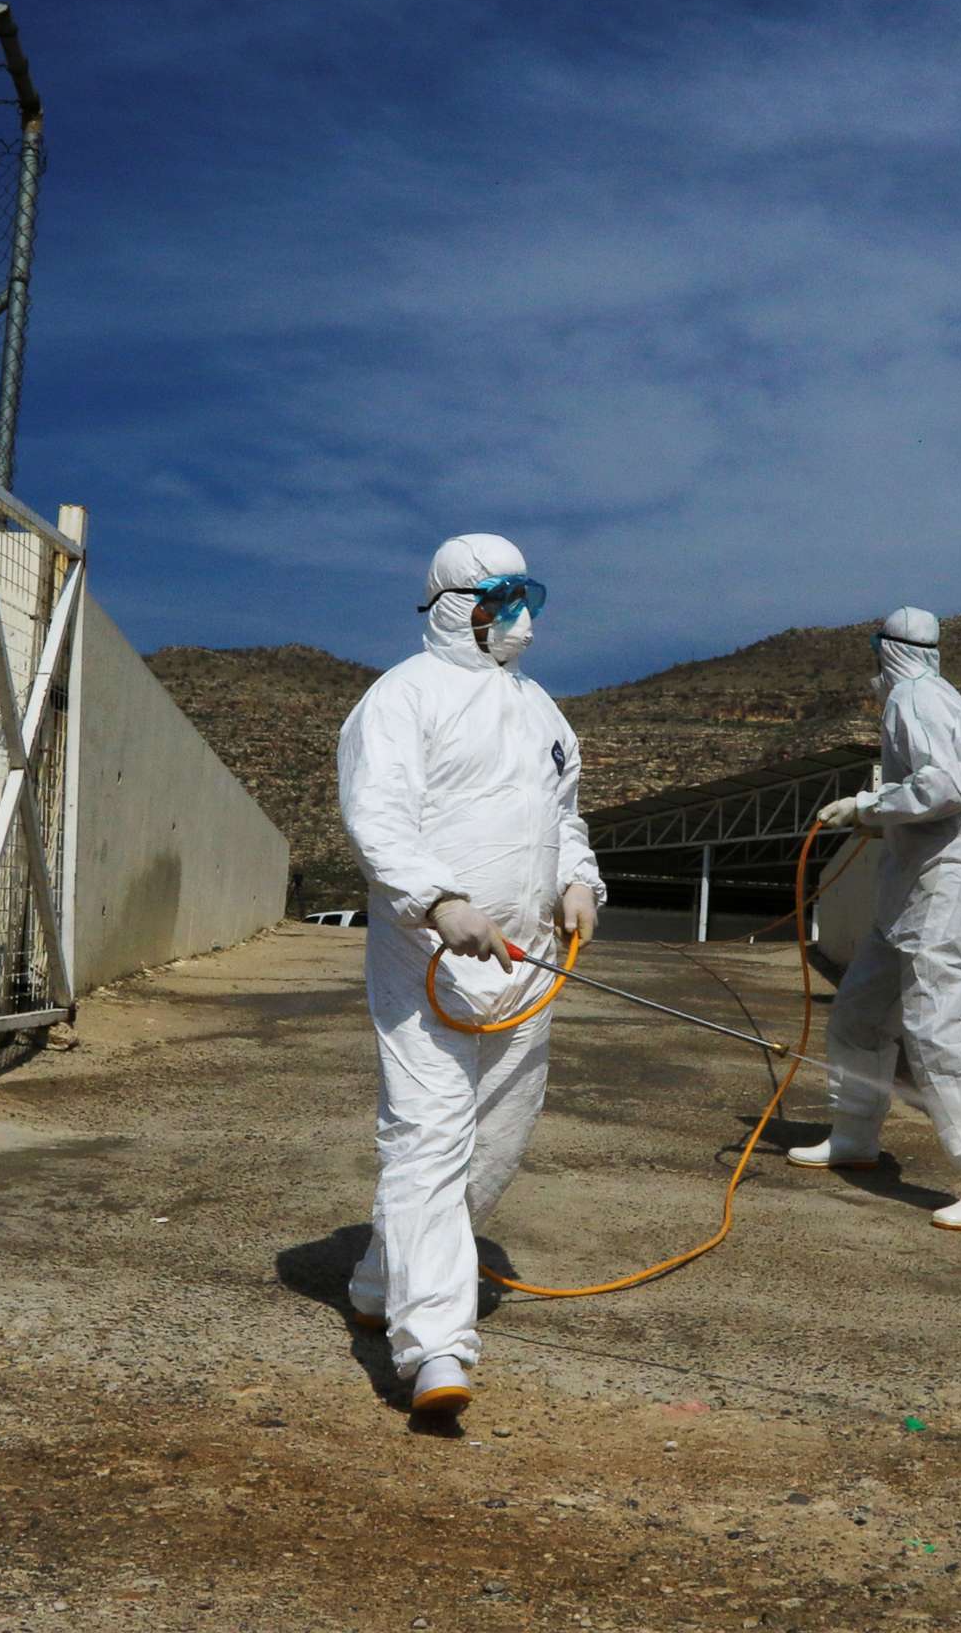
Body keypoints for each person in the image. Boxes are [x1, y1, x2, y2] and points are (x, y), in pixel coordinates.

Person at [335, 533, 604, 1417]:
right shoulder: (401, 700)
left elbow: (562, 814)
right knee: (426, 1139)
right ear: (457, 604)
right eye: (501, 601)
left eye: (526, 599)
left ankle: (381, 1280)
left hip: (527, 965)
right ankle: (436, 1350)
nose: (517, 620)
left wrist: (577, 882)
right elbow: (378, 817)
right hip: (431, 960)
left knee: (496, 1145)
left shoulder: (540, 711)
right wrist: (437, 900)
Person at [787, 605, 961, 1231]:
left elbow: (944, 787)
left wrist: (865, 806)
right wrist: (877, 817)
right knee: (861, 1010)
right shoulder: (936, 696)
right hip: (914, 887)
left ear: (886, 650)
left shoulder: (912, 700)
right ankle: (855, 1136)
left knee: (934, 1027)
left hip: (944, 885)